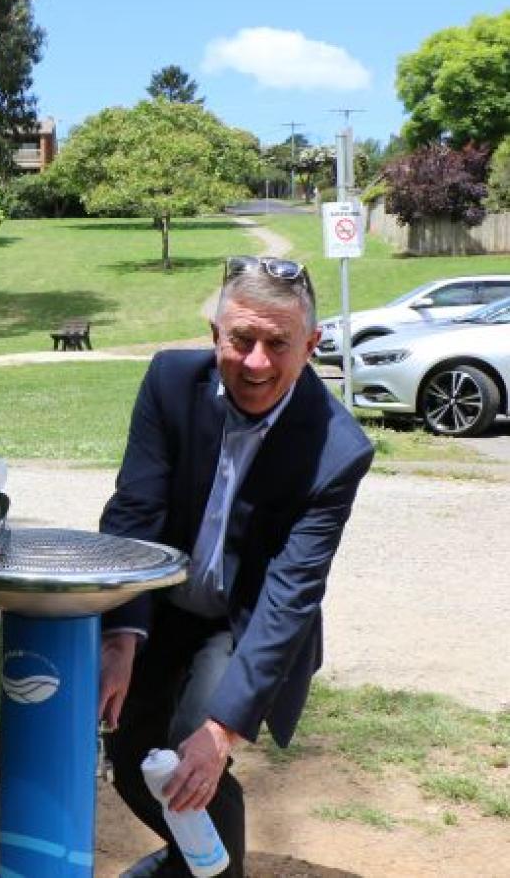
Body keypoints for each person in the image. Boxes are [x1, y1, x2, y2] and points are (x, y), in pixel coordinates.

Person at [98, 257, 375, 878]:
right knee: (131, 750)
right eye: (240, 340)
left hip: (242, 620)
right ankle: (185, 861)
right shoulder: (170, 383)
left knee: (194, 751)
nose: (255, 363)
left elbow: (290, 593)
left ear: (311, 344)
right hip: (160, 602)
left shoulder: (338, 449)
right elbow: (135, 513)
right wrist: (119, 636)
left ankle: (210, 870)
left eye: (277, 344)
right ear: (214, 333)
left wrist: (223, 731)